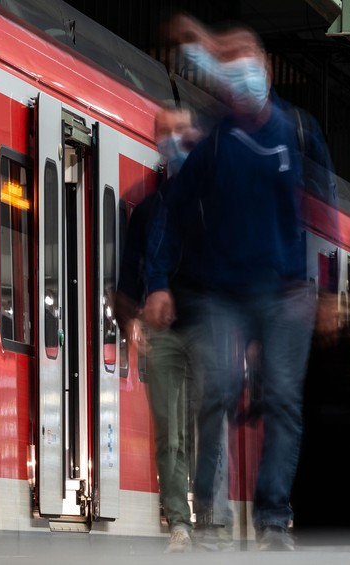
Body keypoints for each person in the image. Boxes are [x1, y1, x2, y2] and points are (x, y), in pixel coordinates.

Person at [145, 17, 335, 550]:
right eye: (232, 65)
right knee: (220, 393)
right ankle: (210, 514)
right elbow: (172, 212)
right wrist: (158, 282)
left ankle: (274, 516)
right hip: (221, 295)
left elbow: (324, 215)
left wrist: (326, 291)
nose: (244, 74)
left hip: (284, 294)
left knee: (281, 401)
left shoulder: (298, 132)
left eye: (250, 60)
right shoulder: (215, 141)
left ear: (268, 69)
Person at [115, 104, 203, 553]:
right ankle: (180, 522)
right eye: (165, 133)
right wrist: (131, 318)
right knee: (171, 428)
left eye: (181, 131)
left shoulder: (218, 204)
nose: (174, 140)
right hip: (164, 331)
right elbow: (129, 273)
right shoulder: (148, 209)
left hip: (208, 326)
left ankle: (211, 517)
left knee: (206, 423)